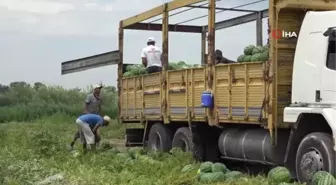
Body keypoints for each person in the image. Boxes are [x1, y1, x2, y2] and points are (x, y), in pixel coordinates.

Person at [68, 84, 103, 150]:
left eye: (100, 89)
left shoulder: (99, 98)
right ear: (95, 89)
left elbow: (100, 107)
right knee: (80, 133)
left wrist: (100, 116)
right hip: (87, 117)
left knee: (94, 132)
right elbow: (86, 105)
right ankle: (72, 144)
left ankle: (93, 148)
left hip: (94, 118)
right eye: (98, 88)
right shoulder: (90, 96)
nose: (99, 90)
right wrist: (87, 113)